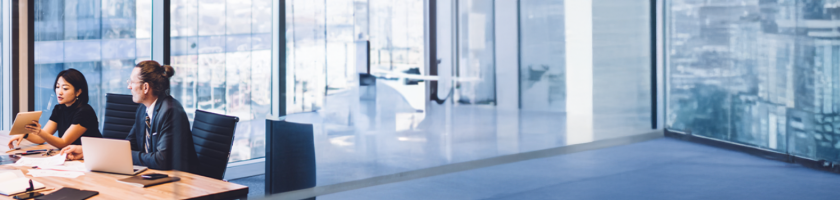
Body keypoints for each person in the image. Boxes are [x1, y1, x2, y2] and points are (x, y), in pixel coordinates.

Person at [61, 61, 198, 173]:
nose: (129, 87)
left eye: (132, 82)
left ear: (145, 87)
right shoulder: (142, 110)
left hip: (178, 182)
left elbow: (161, 160)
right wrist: (87, 151)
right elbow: (128, 145)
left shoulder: (170, 112)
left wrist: (124, 155)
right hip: (153, 175)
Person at [7, 69, 102, 149]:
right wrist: (26, 134)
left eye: (65, 88)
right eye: (57, 87)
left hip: (91, 157)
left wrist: (39, 132)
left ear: (78, 92)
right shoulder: (59, 109)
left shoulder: (84, 112)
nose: (59, 92)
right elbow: (41, 139)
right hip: (70, 156)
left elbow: (64, 142)